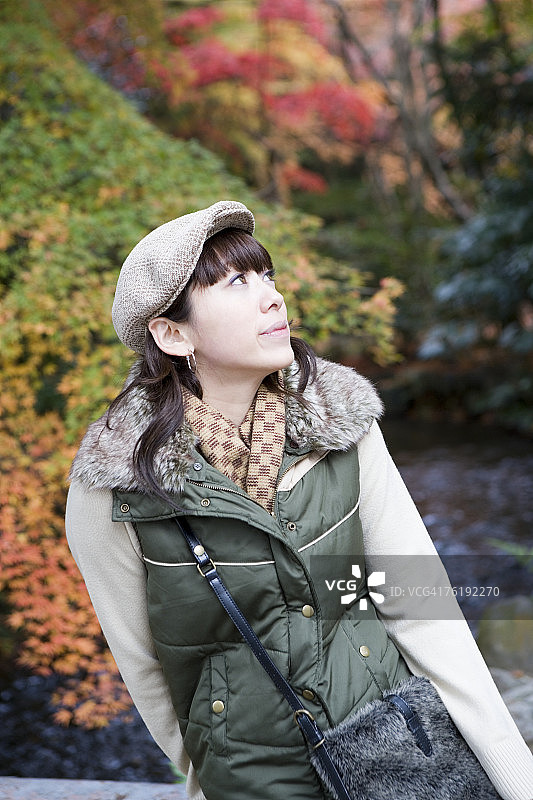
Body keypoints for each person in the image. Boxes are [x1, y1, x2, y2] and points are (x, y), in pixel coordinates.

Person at [66, 200, 533, 800]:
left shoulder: (341, 425)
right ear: (172, 333)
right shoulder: (115, 487)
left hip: (397, 752)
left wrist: (512, 772)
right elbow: (146, 669)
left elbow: (420, 602)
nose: (272, 297)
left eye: (268, 276)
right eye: (237, 283)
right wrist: (220, 766)